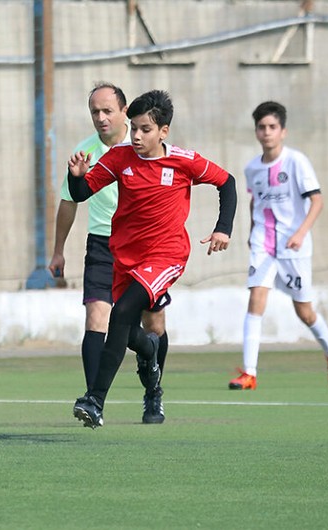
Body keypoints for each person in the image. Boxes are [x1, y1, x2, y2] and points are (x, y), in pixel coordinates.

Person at [68, 90, 237, 429]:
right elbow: (82, 194)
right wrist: (77, 177)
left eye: (145, 129)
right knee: (135, 333)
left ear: (163, 131)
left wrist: (223, 229)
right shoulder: (119, 158)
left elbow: (227, 182)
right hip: (125, 258)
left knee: (123, 312)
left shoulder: (183, 161)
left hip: (166, 256)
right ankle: (149, 355)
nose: (137, 136)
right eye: (134, 128)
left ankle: (99, 399)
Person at [49, 82, 169, 424]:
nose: (101, 118)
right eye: (94, 113)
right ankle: (93, 402)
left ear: (123, 111)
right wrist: (58, 251)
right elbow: (70, 201)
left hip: (146, 248)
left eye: (107, 111)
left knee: (152, 325)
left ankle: (153, 394)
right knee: (95, 318)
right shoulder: (84, 153)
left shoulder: (149, 145)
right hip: (103, 244)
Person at [228, 101, 328, 391]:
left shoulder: (296, 162)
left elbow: (316, 201)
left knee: (304, 311)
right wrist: (253, 232)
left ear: (283, 131)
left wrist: (301, 233)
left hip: (294, 247)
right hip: (263, 245)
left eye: (272, 127)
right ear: (256, 131)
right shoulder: (252, 168)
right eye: (261, 127)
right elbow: (256, 200)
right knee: (256, 299)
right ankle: (249, 373)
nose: (266, 133)